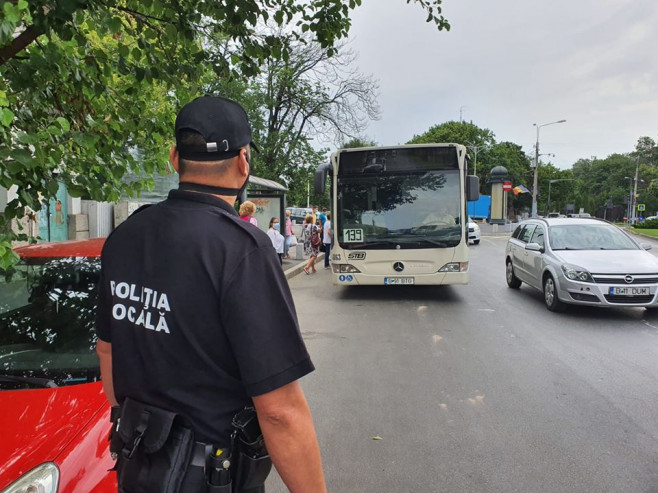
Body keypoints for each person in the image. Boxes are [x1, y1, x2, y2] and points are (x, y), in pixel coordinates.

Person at [95, 95, 326, 493]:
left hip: (139, 468)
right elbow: (280, 411)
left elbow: (107, 351)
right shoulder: (243, 250)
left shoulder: (125, 236)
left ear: (174, 158)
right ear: (243, 162)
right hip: (210, 479)